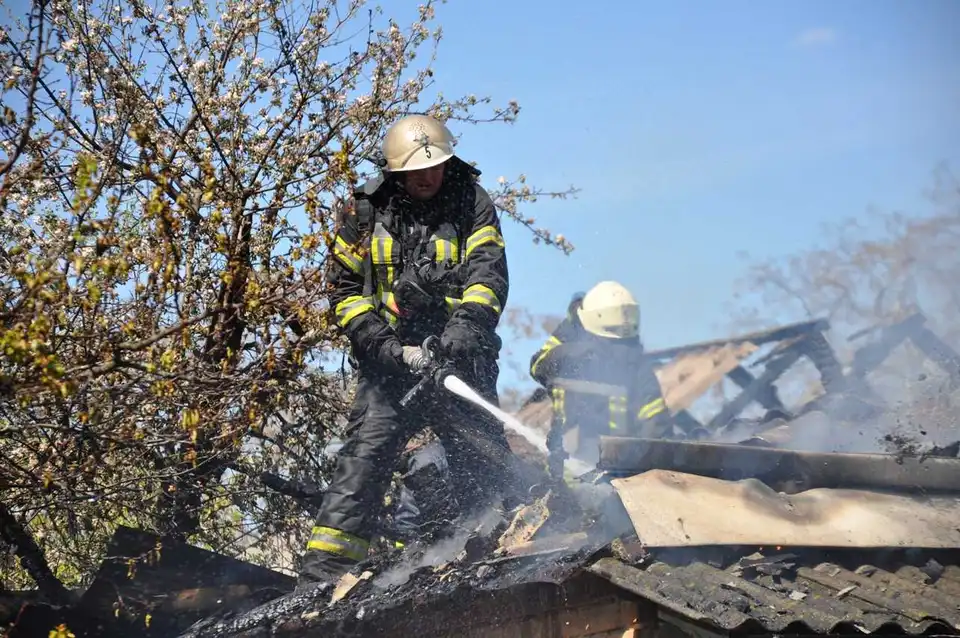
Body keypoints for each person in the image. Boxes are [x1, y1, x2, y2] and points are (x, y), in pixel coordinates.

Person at [298, 114, 515, 588]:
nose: (429, 176)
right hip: (389, 366)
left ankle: (498, 565)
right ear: (396, 171)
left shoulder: (471, 201)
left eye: (436, 166)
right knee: (363, 461)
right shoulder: (364, 212)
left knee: (483, 465)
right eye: (418, 171)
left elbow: (488, 275)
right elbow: (344, 293)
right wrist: (390, 349)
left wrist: (461, 333)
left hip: (460, 361)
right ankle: (320, 584)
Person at [529, 281, 673, 480]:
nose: (620, 349)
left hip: (614, 475)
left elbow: (656, 428)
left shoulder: (638, 368)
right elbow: (538, 366)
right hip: (565, 467)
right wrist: (574, 352)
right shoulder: (571, 337)